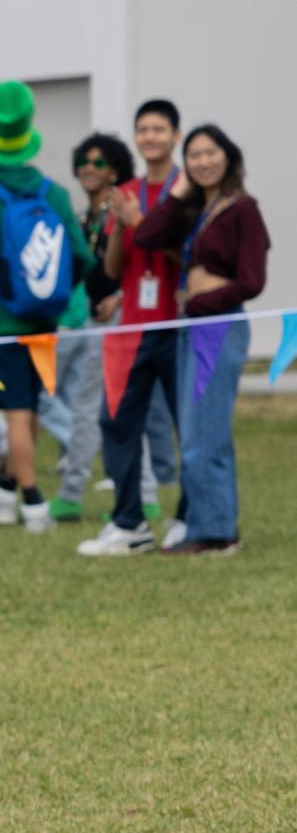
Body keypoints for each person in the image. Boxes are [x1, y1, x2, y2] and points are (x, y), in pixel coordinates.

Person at [0, 82, 94, 535]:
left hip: (1, 321)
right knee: (27, 407)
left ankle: (31, 502)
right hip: (44, 321)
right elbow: (82, 257)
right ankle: (3, 490)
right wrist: (51, 295)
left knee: (13, 413)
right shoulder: (53, 194)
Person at [130, 125, 269, 556]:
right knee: (193, 430)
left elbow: (251, 281)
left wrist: (203, 302)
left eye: (211, 153)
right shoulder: (196, 209)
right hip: (193, 325)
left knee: (204, 433)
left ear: (228, 157)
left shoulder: (242, 210)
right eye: (194, 155)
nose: (204, 161)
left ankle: (214, 532)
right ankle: (211, 526)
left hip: (218, 326)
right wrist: (180, 191)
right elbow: (146, 236)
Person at [80, 100, 187, 557]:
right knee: (116, 420)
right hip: (132, 326)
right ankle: (129, 523)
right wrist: (118, 228)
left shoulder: (188, 190)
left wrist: (141, 224)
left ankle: (190, 518)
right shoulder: (124, 191)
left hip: (179, 324)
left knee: (191, 425)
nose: (150, 137)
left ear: (175, 135)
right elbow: (114, 267)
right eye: (143, 129)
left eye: (159, 129)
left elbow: (191, 258)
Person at [38, 133, 133, 523]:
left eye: (99, 162)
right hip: (81, 321)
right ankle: (77, 491)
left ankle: (82, 492)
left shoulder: (124, 209)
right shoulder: (81, 218)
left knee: (114, 407)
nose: (89, 169)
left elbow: (140, 261)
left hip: (115, 321)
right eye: (84, 162)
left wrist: (122, 297)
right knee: (84, 405)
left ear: (115, 168)